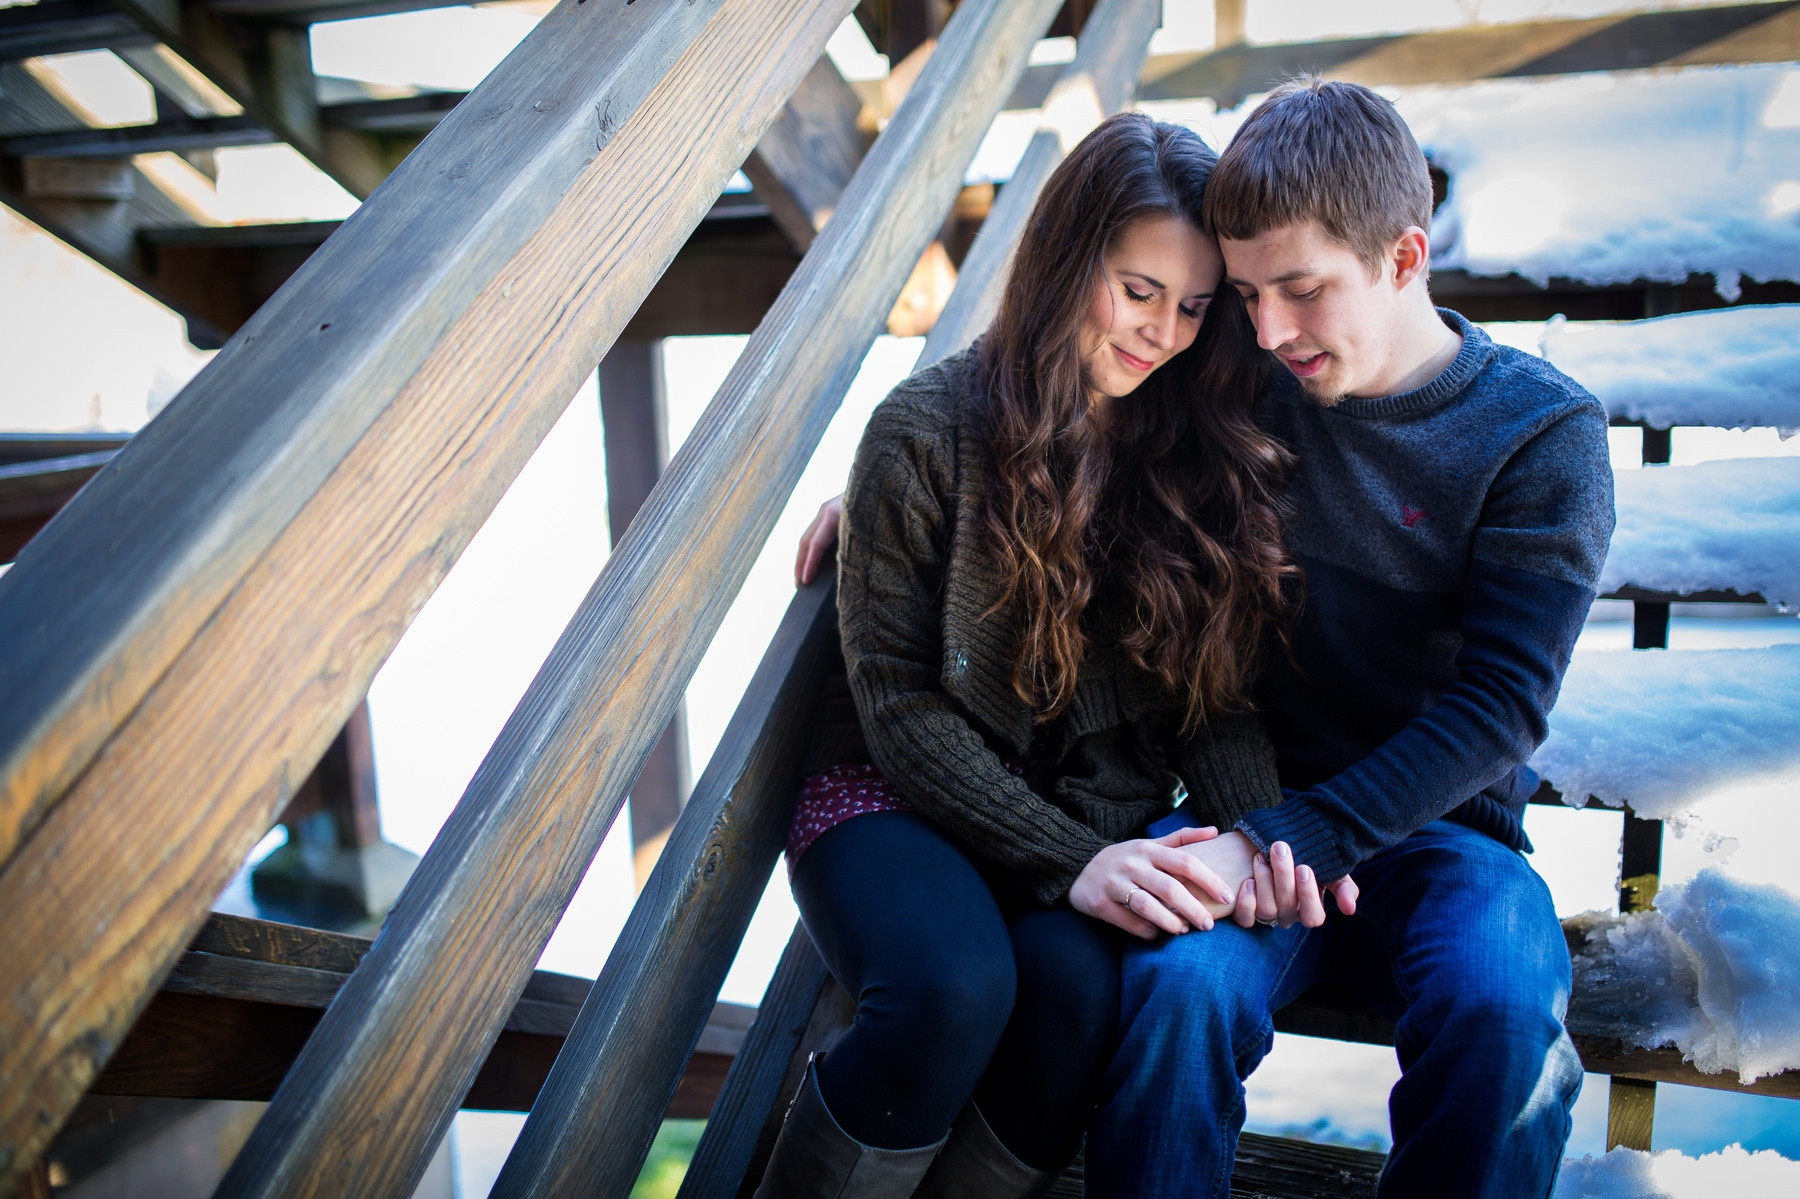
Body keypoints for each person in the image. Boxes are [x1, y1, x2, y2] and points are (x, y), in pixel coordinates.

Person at [796, 79, 1615, 1198]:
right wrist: (879, 512)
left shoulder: (1540, 435)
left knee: (1504, 1014)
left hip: (1439, 833)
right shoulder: (1239, 390)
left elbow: (1505, 707)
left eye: (1302, 291)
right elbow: (1045, 427)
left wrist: (1291, 834)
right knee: (1176, 993)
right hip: (1241, 806)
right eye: (1244, 296)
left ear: (1407, 255)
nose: (1267, 329)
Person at [757, 112, 1353, 1199]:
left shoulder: (1184, 444)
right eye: (1137, 291)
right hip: (894, 794)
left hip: (1084, 818)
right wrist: (1073, 859)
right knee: (952, 986)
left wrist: (1267, 836)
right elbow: (898, 705)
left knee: (1083, 994)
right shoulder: (924, 429)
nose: (1163, 332)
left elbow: (1204, 699)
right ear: (1067, 259)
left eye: (1193, 306)